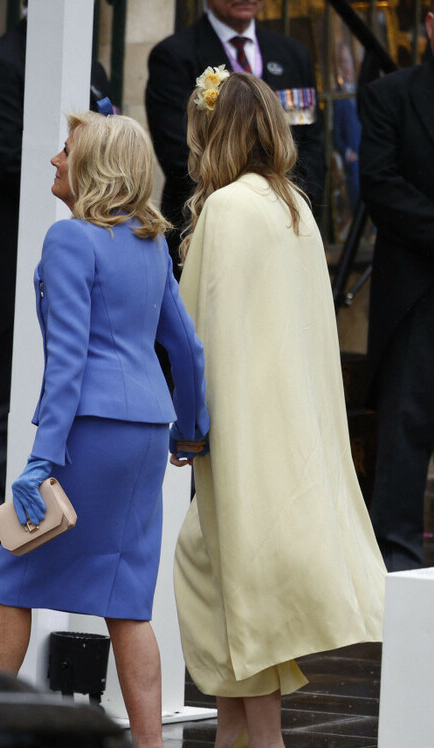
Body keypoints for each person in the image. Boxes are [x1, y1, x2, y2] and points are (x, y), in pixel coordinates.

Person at [0, 111, 209, 748]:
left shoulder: (71, 240)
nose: (55, 160)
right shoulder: (150, 240)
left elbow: (69, 364)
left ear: (92, 166)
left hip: (86, 435)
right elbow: (186, 350)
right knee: (127, 599)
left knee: (13, 580)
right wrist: (190, 432)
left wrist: (40, 461)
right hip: (144, 436)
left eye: (65, 150)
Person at [170, 69, 385, 748]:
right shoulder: (291, 203)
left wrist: (190, 425)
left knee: (230, 589)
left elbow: (198, 333)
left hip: (241, 433)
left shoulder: (228, 209)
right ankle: (246, 738)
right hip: (286, 429)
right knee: (232, 592)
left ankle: (264, 741)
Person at [0, 6, 117, 557]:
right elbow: (5, 159)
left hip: (83, 245)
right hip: (8, 251)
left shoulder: (91, 65)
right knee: (2, 380)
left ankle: (42, 506)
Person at [145, 0, 325, 276]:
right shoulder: (174, 55)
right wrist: (245, 204)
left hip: (287, 229)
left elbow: (311, 141)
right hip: (207, 230)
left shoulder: (293, 54)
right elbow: (179, 154)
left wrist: (284, 205)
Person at [359, 6, 434, 572]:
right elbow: (380, 185)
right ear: (430, 24)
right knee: (404, 438)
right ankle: (398, 576)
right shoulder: (391, 95)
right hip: (416, 297)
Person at [333, 42, 361, 213]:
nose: (347, 66)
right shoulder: (337, 97)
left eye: (349, 61)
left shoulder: (364, 91)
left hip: (370, 156)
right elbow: (335, 134)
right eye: (343, 61)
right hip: (353, 162)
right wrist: (346, 152)